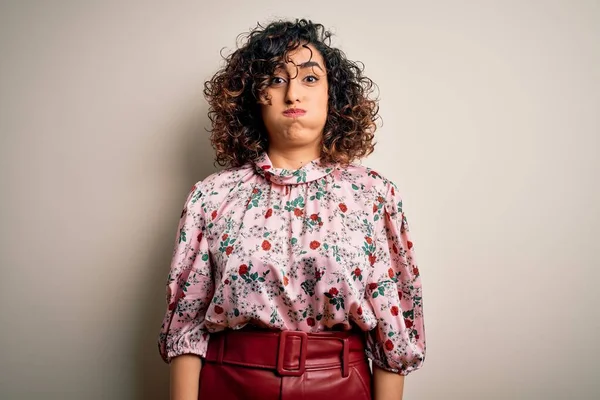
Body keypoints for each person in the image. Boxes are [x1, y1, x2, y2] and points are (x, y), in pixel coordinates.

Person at [157, 18, 426, 400]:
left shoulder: (373, 195)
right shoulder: (211, 196)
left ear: (335, 96)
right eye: (277, 79)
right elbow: (185, 328)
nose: (293, 94)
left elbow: (394, 333)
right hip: (229, 383)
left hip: (340, 385)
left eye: (310, 79)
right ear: (253, 96)